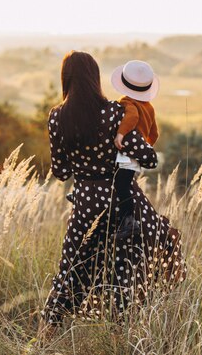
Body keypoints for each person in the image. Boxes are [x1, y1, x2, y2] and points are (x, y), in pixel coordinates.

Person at [37, 51, 185, 342]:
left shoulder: (56, 117)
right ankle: (121, 336)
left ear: (65, 79)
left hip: (85, 205)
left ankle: (45, 334)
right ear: (96, 79)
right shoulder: (115, 113)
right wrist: (122, 157)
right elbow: (148, 157)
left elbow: (61, 172)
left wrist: (82, 163)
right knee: (123, 272)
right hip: (123, 203)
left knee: (71, 269)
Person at [110, 60, 159, 240]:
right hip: (136, 156)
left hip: (126, 154)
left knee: (121, 185)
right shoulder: (150, 107)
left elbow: (132, 116)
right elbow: (155, 133)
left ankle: (129, 222)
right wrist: (144, 149)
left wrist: (121, 135)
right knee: (124, 183)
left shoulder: (127, 103)